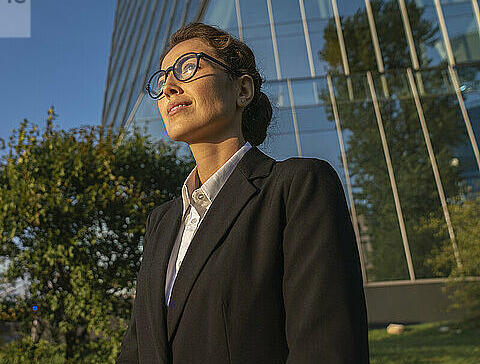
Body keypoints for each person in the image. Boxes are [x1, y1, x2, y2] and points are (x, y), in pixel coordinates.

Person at [116, 22, 369, 364]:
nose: (169, 88)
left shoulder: (297, 188)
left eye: (187, 67)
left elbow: (326, 350)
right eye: (161, 80)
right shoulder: (162, 221)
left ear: (242, 90)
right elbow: (137, 349)